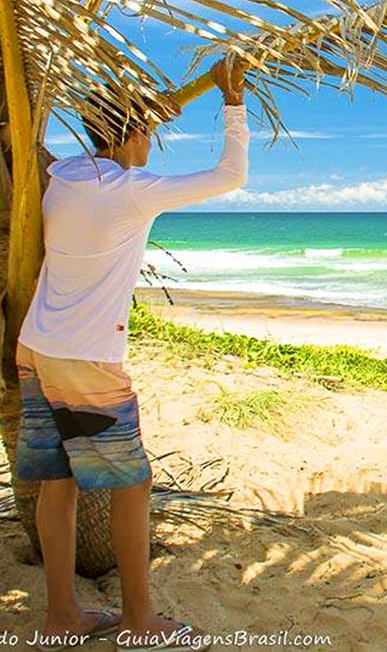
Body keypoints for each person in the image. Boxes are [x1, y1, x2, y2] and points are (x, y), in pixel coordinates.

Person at [16, 59, 250, 652]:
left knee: (58, 479)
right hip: (87, 361)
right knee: (132, 484)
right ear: (133, 132)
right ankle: (140, 622)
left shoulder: (65, 174)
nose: (154, 143)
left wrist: (144, 111)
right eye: (149, 131)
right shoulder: (132, 191)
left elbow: (82, 146)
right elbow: (231, 175)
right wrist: (232, 100)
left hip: (37, 347)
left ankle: (63, 616)